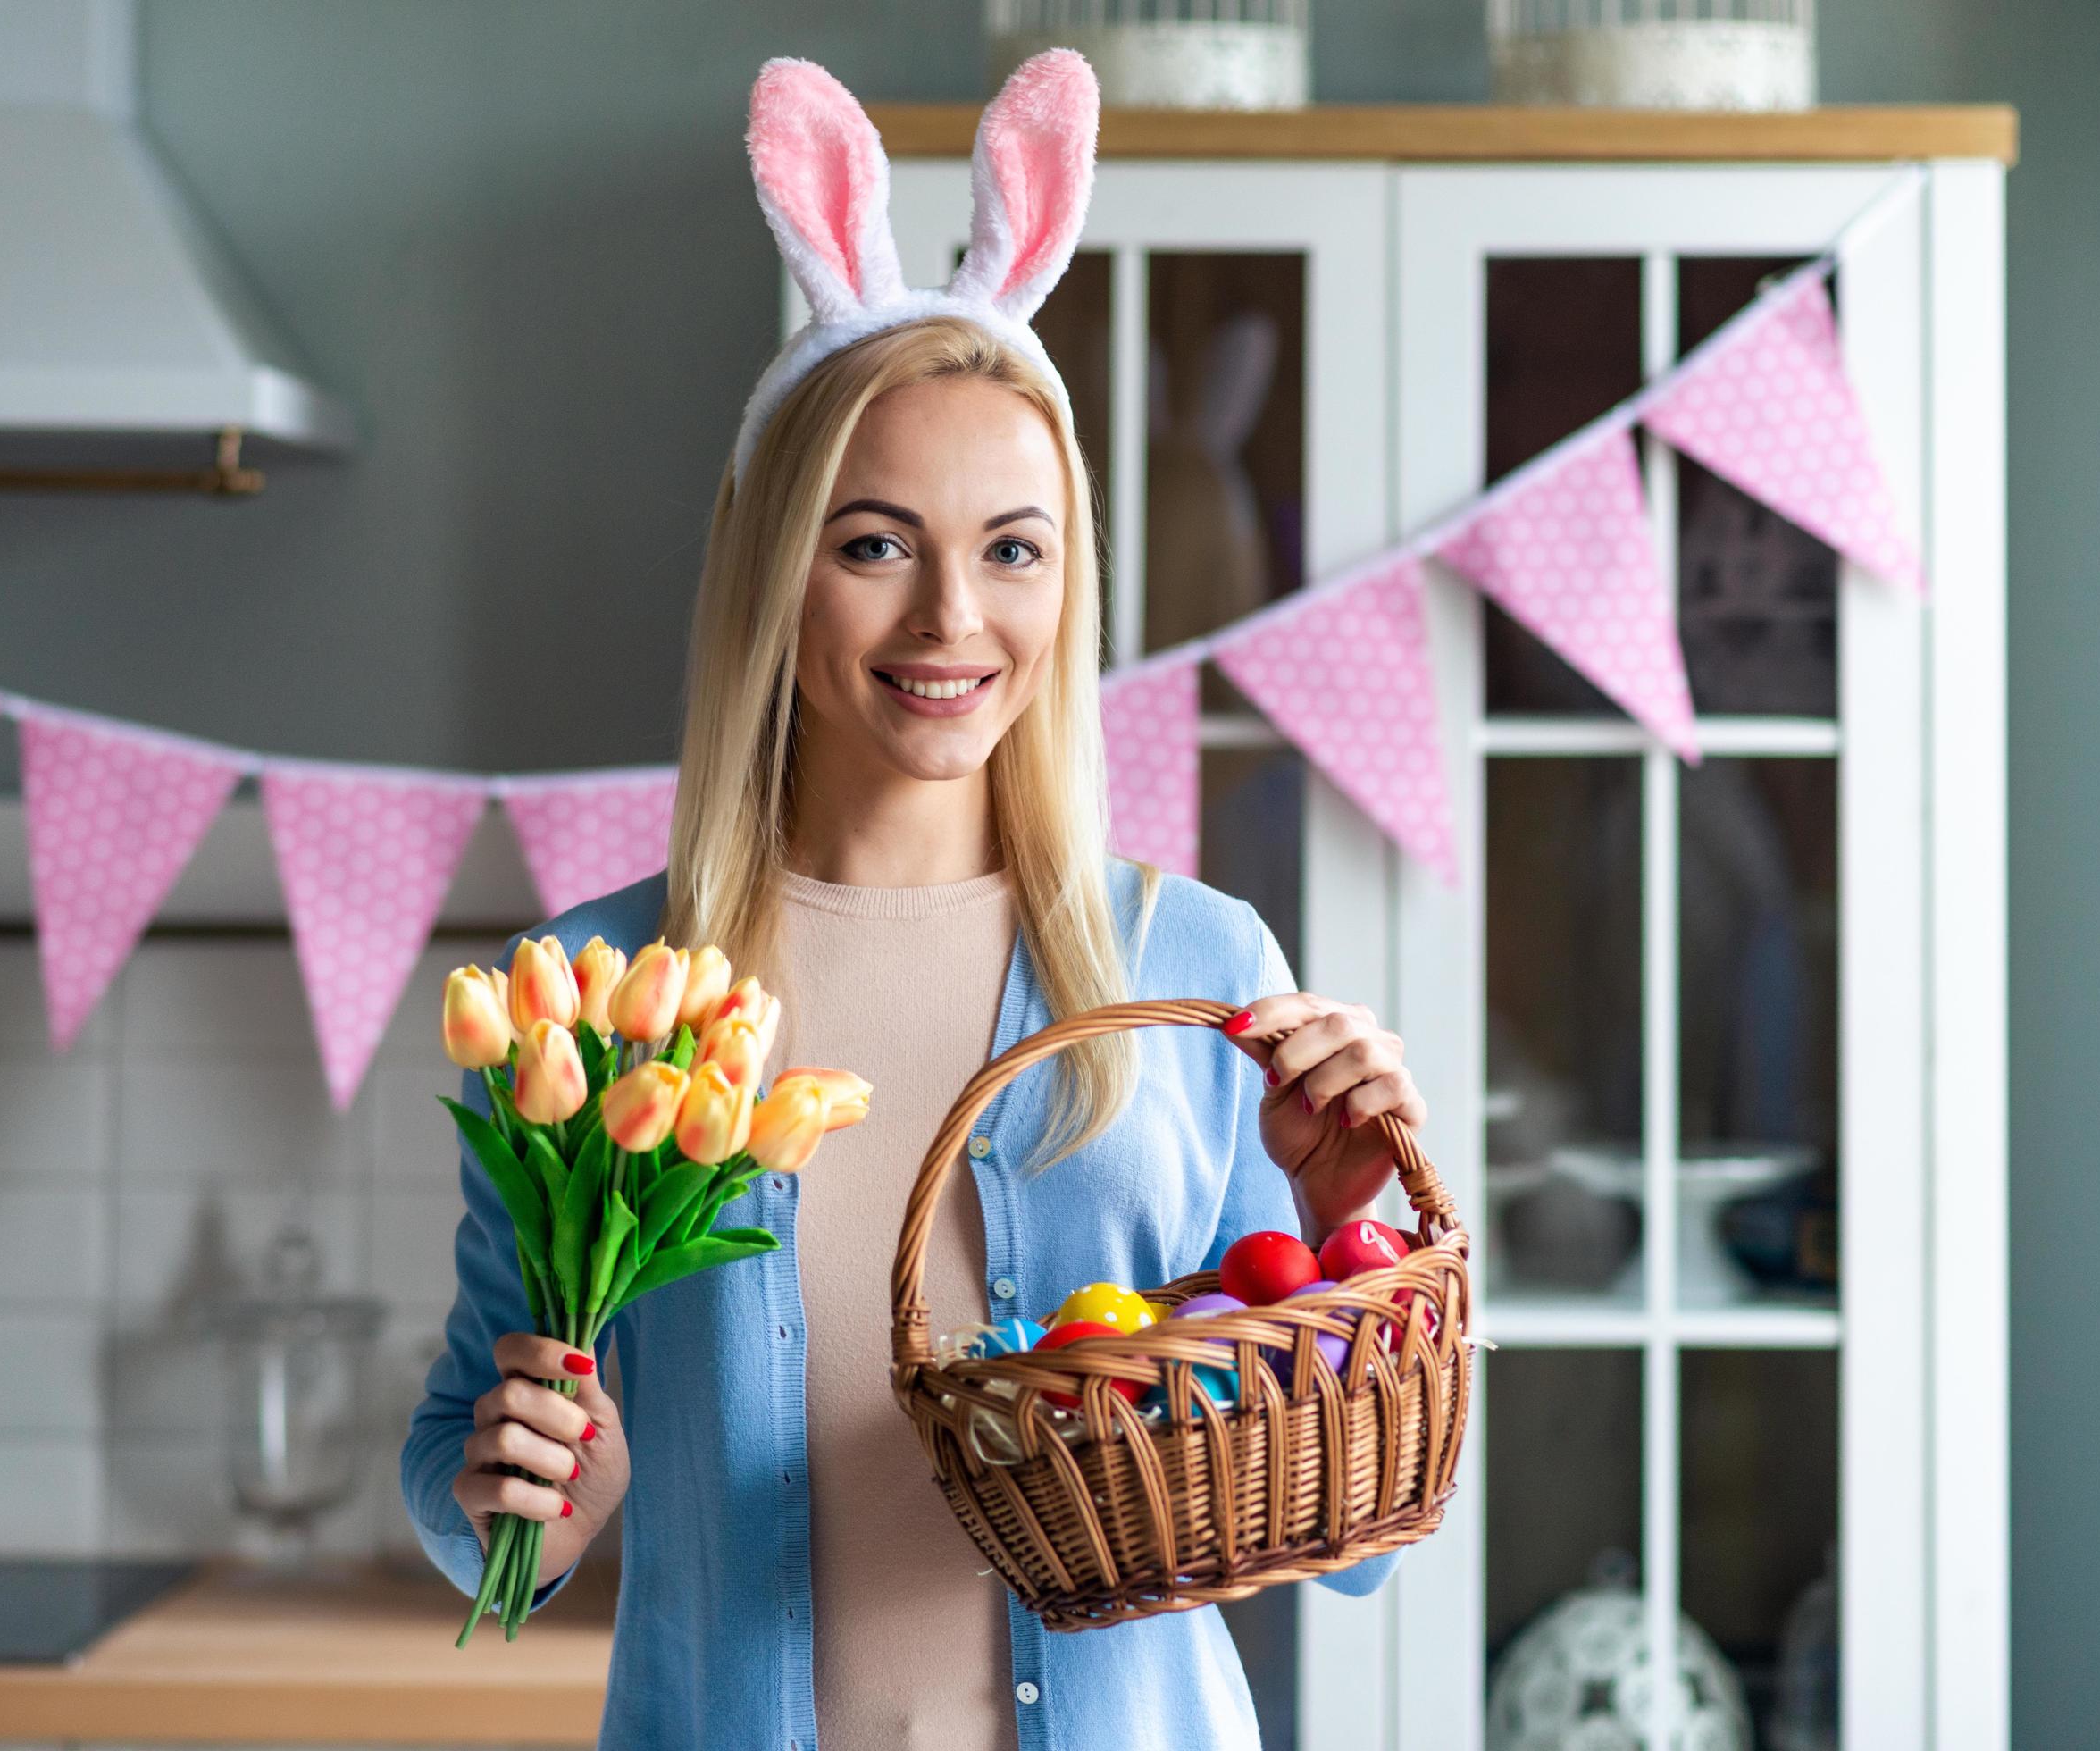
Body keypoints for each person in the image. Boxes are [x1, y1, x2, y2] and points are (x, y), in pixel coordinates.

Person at [401, 51, 1430, 1751]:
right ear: (774, 566)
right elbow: (468, 1470)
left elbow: (1359, 1551)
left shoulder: (1194, 970)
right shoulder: (596, 1000)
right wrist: (520, 1497)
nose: (953, 618)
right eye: (874, 543)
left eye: (1013, 550)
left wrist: (1342, 1245)